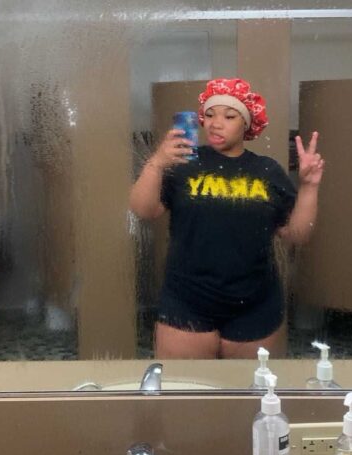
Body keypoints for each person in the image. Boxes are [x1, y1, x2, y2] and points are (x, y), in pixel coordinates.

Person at [130, 78, 324, 359]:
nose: (215, 124)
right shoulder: (184, 163)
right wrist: (157, 162)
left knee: (250, 386)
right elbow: (143, 210)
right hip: (187, 300)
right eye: (209, 115)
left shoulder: (267, 171)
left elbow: (297, 234)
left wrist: (309, 186)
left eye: (229, 116)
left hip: (255, 304)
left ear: (246, 123)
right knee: (185, 385)